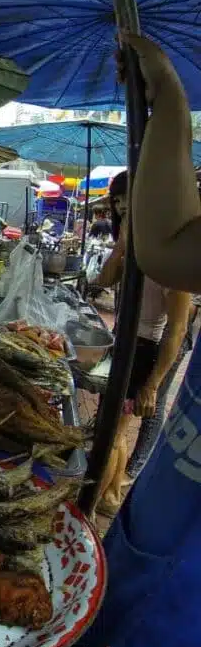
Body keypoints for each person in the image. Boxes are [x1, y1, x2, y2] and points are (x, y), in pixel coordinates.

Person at [63, 33, 201, 647]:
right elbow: (166, 246)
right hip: (167, 512)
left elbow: (174, 299)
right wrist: (167, 101)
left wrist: (150, 382)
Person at [87, 170, 191, 514]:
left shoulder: (168, 259)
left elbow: (176, 329)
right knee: (110, 428)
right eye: (117, 201)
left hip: (145, 351)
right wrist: (122, 245)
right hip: (123, 344)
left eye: (127, 199)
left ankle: (90, 505)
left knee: (112, 433)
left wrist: (153, 385)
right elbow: (102, 280)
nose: (120, 207)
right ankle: (111, 497)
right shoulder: (131, 252)